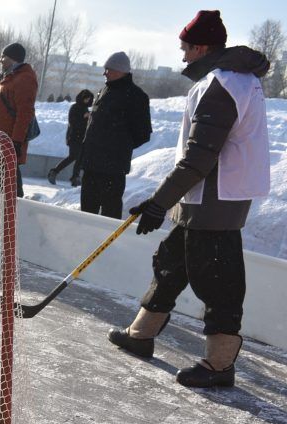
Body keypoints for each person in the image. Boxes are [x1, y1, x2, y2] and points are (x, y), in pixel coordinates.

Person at [108, 10, 270, 389]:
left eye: (185, 49)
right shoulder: (230, 80)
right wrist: (162, 201)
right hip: (202, 196)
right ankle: (141, 334)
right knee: (171, 263)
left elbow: (200, 155)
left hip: (216, 200)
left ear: (200, 47)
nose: (182, 57)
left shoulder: (223, 85)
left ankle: (219, 364)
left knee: (219, 281)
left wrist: (160, 202)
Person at [77, 52, 151, 218]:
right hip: (91, 165)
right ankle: (87, 242)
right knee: (86, 214)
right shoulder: (103, 91)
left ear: (120, 71)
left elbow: (143, 133)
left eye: (108, 69)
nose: (104, 73)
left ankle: (109, 244)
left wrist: (117, 146)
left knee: (109, 214)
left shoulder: (136, 96)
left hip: (113, 169)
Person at [0, 42, 38, 198]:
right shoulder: (10, 77)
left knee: (9, 183)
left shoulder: (25, 79)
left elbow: (24, 113)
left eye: (3, 57)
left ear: (13, 59)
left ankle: (15, 213)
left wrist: (16, 142)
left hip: (7, 140)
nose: (0, 60)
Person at [48, 89, 93, 186]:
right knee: (74, 156)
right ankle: (54, 171)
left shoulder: (86, 109)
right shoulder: (75, 107)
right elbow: (73, 122)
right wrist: (84, 117)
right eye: (86, 99)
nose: (87, 101)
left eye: (88, 99)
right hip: (74, 137)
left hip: (83, 138)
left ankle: (75, 177)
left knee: (80, 158)